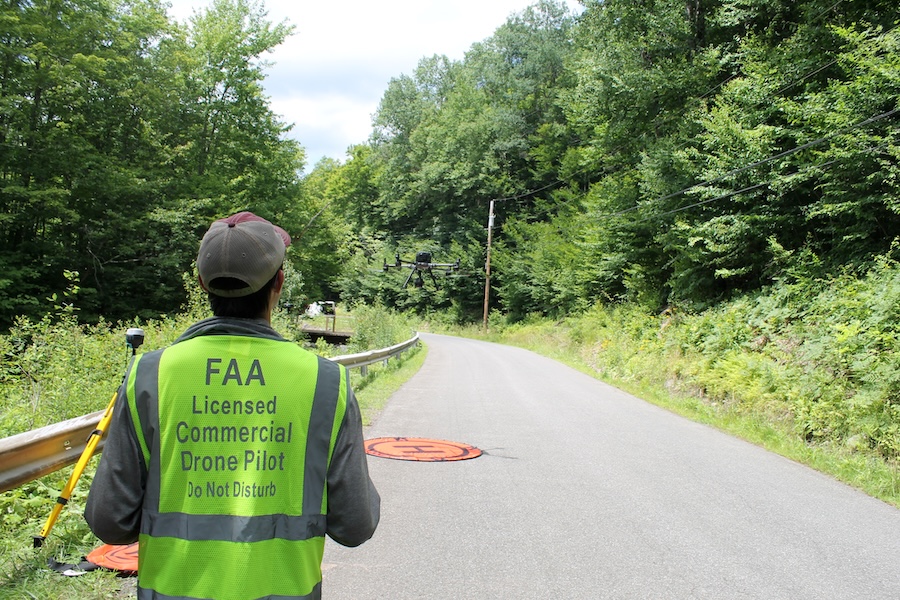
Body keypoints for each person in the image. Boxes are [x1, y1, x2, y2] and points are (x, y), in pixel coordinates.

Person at [85, 211, 380, 599]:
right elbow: (355, 526)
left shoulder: (149, 376)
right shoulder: (326, 383)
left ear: (201, 282)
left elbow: (109, 522)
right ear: (279, 282)